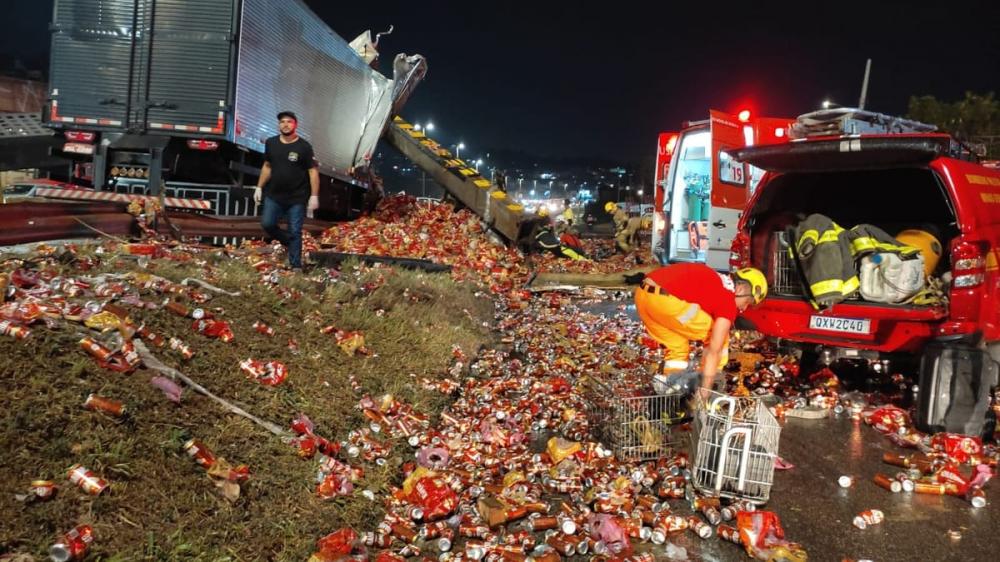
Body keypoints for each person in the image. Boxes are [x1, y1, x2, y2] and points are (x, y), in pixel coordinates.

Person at [631, 264, 768, 392]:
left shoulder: (718, 281)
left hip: (642, 296)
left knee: (677, 347)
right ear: (740, 289)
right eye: (747, 302)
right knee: (719, 337)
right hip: (665, 302)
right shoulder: (728, 300)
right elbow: (714, 350)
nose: (744, 308)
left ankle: (670, 386)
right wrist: (705, 392)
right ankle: (709, 384)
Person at [254, 111, 320, 271]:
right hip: (274, 195)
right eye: (282, 122)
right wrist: (259, 187)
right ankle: (288, 241)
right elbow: (267, 166)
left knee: (295, 230)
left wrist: (314, 196)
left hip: (297, 197)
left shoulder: (304, 147)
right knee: (267, 224)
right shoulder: (271, 143)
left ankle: (295, 266)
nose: (285, 124)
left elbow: (313, 172)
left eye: (289, 122)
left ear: (295, 125)